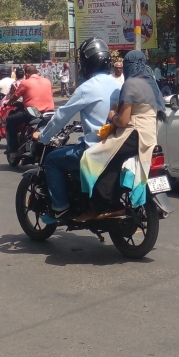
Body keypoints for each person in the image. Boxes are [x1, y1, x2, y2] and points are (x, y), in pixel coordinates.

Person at [36, 37, 121, 222]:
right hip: (120, 146)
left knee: (52, 160)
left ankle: (60, 208)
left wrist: (43, 136)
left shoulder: (87, 88)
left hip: (95, 149)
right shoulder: (119, 84)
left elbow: (61, 116)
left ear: (87, 63)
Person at [79, 50, 166, 213]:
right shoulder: (150, 82)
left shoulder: (131, 84)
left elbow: (123, 121)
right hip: (149, 136)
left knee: (91, 157)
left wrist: (112, 117)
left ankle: (103, 203)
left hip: (133, 134)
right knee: (113, 160)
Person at [4, 65, 55, 154]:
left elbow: (15, 96)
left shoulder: (25, 83)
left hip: (33, 112)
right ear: (37, 72)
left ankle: (12, 148)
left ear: (26, 75)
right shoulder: (47, 81)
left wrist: (8, 102)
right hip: (49, 111)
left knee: (10, 120)